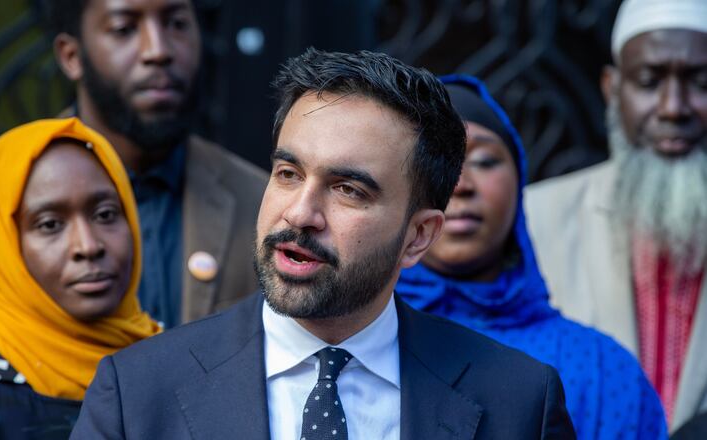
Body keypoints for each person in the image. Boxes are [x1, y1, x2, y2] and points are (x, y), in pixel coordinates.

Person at [69, 48, 575, 439]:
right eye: (288, 173)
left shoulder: (518, 401)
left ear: (418, 236)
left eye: (348, 190)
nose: (300, 214)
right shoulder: (136, 394)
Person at [0, 0, 267, 367]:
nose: (158, 50)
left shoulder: (262, 205)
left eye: (177, 23)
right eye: (124, 28)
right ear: (71, 55)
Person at [395, 74, 667, 439]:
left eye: (485, 160)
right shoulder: (350, 347)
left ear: (519, 180)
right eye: (436, 162)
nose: (460, 184)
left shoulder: (600, 369)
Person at [525, 0, 707, 430]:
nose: (673, 107)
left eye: (699, 82)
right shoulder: (537, 218)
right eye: (649, 81)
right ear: (612, 88)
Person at [0, 118, 161, 438]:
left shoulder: (180, 365)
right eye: (50, 225)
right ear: (2, 249)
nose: (88, 246)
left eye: (105, 215)